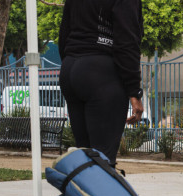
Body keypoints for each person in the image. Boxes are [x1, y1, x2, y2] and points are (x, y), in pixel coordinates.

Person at [59, 0, 144, 166]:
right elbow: (127, 42)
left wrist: (74, 66)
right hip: (101, 72)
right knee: (102, 158)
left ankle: (83, 190)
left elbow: (64, 33)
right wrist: (134, 92)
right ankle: (101, 190)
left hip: (71, 68)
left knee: (84, 155)